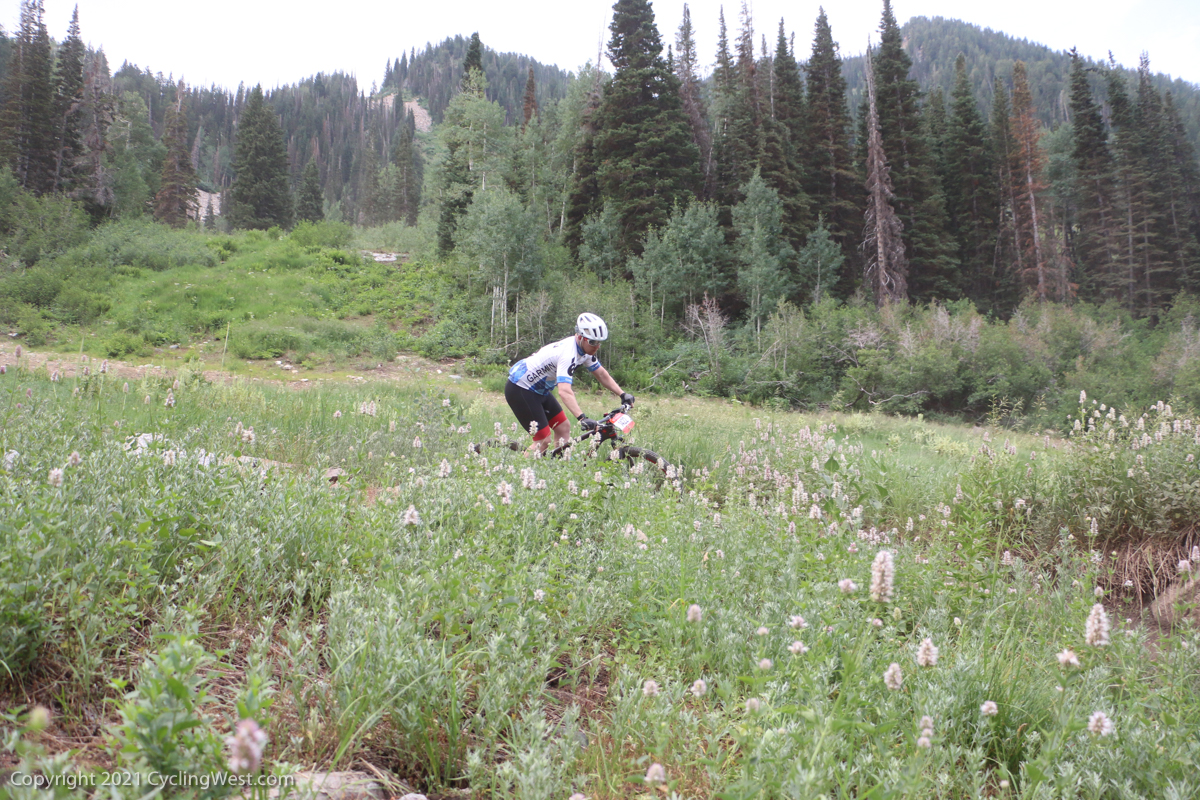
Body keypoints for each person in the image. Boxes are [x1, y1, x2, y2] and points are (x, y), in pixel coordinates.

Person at [505, 312, 635, 453]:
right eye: (592, 342)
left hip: (539, 390)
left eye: (599, 342)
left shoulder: (584, 351)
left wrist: (622, 394)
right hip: (520, 389)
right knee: (542, 441)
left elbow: (602, 374)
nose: (597, 346)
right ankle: (522, 474)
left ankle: (558, 468)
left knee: (563, 428)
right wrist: (582, 418)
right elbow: (564, 391)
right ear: (580, 336)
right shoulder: (568, 354)